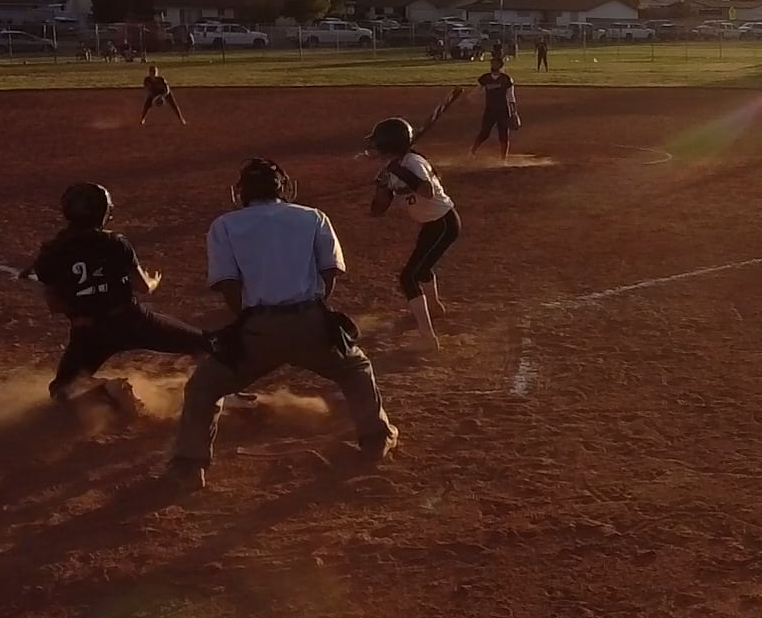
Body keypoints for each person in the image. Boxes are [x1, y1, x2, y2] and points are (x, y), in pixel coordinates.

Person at [168, 159, 397, 490]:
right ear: (284, 188)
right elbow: (330, 273)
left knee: (204, 387)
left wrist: (248, 322)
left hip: (258, 328)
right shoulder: (313, 217)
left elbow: (228, 285)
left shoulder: (224, 225)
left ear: (242, 192)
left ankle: (190, 465)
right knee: (355, 369)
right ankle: (376, 439)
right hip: (309, 321)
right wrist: (314, 311)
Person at [22, 183, 212, 409]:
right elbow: (143, 287)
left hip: (89, 332)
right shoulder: (115, 242)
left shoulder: (51, 251)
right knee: (206, 346)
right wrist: (153, 280)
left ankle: (105, 392)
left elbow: (54, 304)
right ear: (103, 212)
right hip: (132, 321)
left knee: (62, 388)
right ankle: (219, 393)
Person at [367, 116, 461, 350]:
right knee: (422, 268)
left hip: (444, 223)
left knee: (408, 277)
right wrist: (382, 187)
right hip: (432, 225)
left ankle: (428, 338)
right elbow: (377, 211)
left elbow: (427, 191)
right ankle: (435, 308)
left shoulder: (413, 162)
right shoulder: (393, 169)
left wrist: (400, 172)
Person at [472, 56, 518, 160]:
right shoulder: (485, 78)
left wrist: (514, 112)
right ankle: (472, 151)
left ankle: (503, 159)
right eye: (492, 63)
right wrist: (469, 98)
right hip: (490, 110)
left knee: (503, 135)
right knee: (484, 133)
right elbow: (477, 90)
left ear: (501, 66)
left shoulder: (506, 79)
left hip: (503, 111)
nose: (493, 65)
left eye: (496, 63)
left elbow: (511, 97)